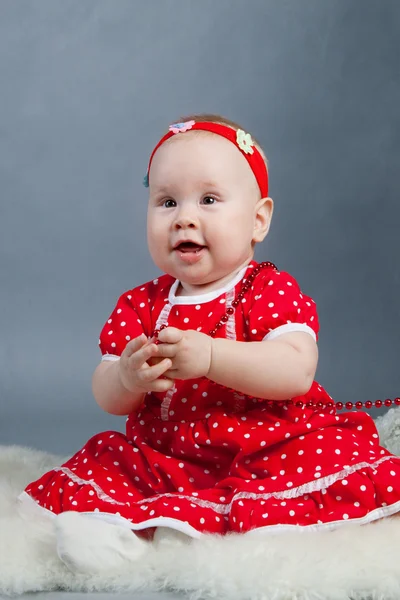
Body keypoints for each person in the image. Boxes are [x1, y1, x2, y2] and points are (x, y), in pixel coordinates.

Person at [18, 114, 400, 574]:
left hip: (265, 447)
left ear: (258, 220)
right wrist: (126, 375)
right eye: (166, 202)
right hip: (168, 455)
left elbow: (296, 369)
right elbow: (107, 396)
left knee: (327, 463)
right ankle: (123, 537)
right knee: (109, 467)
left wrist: (212, 356)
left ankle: (192, 536)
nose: (184, 218)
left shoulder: (265, 288)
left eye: (209, 199)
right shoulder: (142, 304)